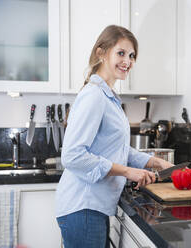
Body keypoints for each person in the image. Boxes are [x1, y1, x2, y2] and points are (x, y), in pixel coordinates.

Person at [55, 25, 174, 248]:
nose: (127, 61)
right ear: (101, 53)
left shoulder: (107, 96)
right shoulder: (94, 96)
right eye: (121, 53)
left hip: (90, 208)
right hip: (83, 206)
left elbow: (115, 147)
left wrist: (153, 161)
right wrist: (129, 171)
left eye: (132, 56)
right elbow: (72, 156)